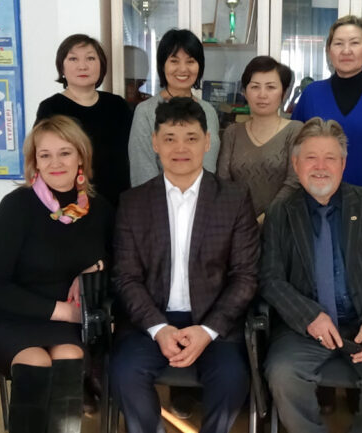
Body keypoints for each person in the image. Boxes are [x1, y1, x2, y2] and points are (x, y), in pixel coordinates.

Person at [110, 97, 259, 433]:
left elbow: (245, 276)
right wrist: (158, 328)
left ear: (207, 142)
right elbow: (126, 277)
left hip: (214, 323)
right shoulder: (133, 202)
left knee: (232, 379)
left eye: (191, 138)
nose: (180, 148)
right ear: (155, 143)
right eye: (170, 138)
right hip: (149, 322)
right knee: (124, 374)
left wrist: (208, 330)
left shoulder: (234, 199)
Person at [260, 117, 362, 433]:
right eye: (311, 158)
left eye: (330, 158)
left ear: (343, 164)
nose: (320, 167)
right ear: (296, 164)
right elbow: (270, 278)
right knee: (283, 375)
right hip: (305, 329)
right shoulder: (280, 212)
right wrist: (309, 317)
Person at [0, 115, 114, 433]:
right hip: (3, 316)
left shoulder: (98, 208)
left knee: (70, 355)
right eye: (44, 155)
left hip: (60, 323)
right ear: (34, 162)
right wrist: (63, 311)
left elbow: (114, 256)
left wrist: (94, 267)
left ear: (81, 156)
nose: (55, 163)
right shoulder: (16, 207)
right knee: (35, 362)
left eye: (64, 152)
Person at [291, 15, 362, 190]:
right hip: (317, 197)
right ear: (329, 50)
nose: (346, 51)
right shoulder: (312, 94)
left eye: (354, 43)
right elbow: (296, 150)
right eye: (338, 43)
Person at [36, 34, 132, 208]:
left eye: (90, 58)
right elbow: (41, 157)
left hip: (119, 202)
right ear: (61, 67)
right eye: (73, 59)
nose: (82, 66)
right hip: (71, 205)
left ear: (101, 65)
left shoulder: (118, 105)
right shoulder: (51, 108)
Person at [128, 29, 220, 187]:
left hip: (204, 199)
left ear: (199, 65)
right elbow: (143, 175)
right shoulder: (145, 111)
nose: (183, 69)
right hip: (156, 200)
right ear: (162, 65)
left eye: (190, 61)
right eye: (174, 61)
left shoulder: (208, 111)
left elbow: (209, 170)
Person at [217, 56, 303, 224]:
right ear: (244, 92)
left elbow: (294, 183)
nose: (262, 95)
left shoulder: (296, 130)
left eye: (271, 87)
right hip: (238, 227)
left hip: (283, 226)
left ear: (284, 93)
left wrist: (262, 220)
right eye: (255, 87)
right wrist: (242, 223)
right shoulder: (232, 133)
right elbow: (223, 182)